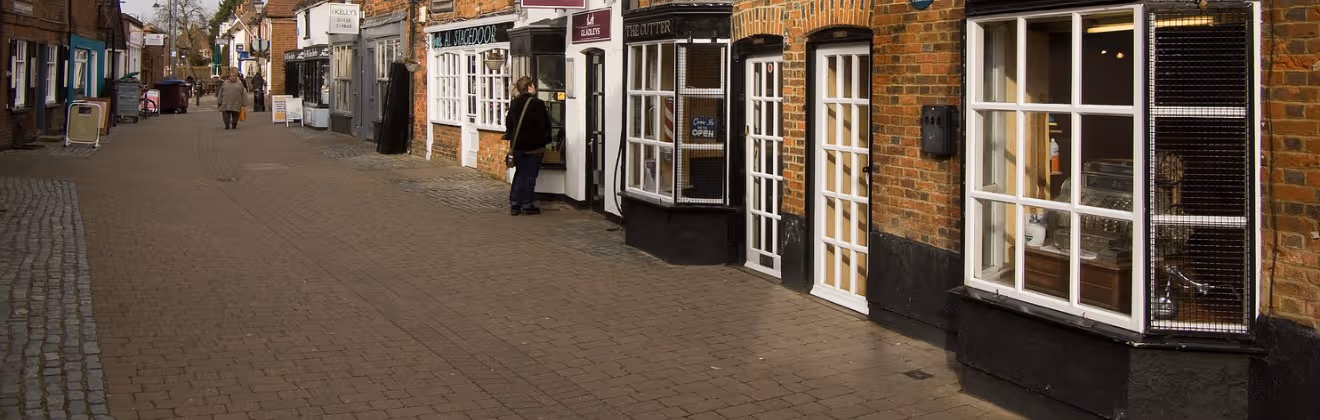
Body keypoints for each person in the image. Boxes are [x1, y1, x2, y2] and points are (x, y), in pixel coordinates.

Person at [504, 76, 551, 216]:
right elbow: (545, 126)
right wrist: (545, 142)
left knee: (520, 174)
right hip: (533, 147)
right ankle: (527, 204)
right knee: (530, 176)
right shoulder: (538, 104)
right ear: (530, 87)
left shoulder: (514, 104)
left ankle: (515, 204)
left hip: (517, 146)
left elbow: (509, 125)